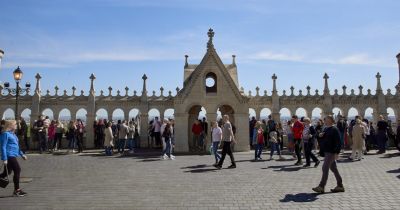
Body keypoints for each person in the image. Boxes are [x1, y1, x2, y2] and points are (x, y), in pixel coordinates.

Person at [312, 115, 344, 194]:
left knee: (325, 167)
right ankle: (340, 185)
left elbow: (338, 142)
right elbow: (318, 136)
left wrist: (337, 153)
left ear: (330, 120)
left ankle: (321, 186)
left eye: (325, 119)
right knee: (334, 169)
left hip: (331, 152)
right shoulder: (325, 128)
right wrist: (319, 136)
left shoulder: (334, 129)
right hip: (326, 151)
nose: (324, 120)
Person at [0, 120, 28, 197]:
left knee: (6, 172)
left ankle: (17, 190)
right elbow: (3, 146)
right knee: (17, 169)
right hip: (9, 155)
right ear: (10, 125)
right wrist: (4, 158)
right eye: (15, 124)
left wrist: (22, 154)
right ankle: (17, 190)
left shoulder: (14, 135)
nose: (17, 125)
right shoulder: (5, 134)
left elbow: (17, 146)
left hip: (13, 155)